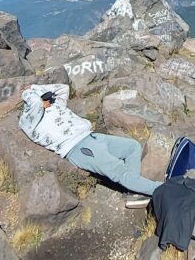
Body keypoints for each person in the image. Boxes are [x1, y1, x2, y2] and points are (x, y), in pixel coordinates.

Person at [18, 85, 160, 205]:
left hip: (93, 136)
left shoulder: (54, 106)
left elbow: (63, 88)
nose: (48, 101)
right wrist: (27, 91)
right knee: (120, 172)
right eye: (44, 99)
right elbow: (36, 103)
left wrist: (36, 87)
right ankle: (164, 190)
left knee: (132, 147)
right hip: (78, 147)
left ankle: (133, 191)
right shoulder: (29, 121)